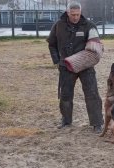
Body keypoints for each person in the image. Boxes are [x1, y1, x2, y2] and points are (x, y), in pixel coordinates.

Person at [46, 1, 103, 133]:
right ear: (67, 13)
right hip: (66, 66)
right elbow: (51, 44)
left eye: (78, 14)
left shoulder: (89, 26)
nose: (75, 17)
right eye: (73, 15)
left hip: (85, 66)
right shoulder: (58, 25)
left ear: (81, 13)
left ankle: (97, 123)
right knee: (65, 95)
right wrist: (56, 60)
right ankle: (66, 120)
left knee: (92, 94)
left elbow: (95, 45)